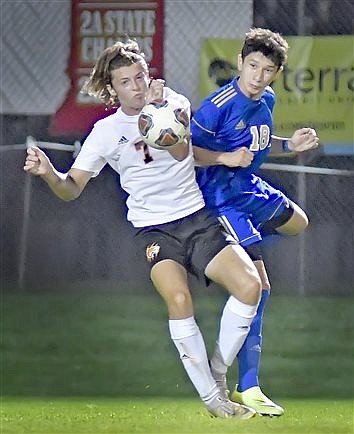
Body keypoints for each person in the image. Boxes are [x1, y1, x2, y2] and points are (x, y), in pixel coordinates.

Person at [23, 38, 261, 419]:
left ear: (149, 75)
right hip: (155, 231)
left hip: (196, 218)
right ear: (112, 89)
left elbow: (183, 153)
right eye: (125, 82)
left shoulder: (175, 104)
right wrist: (49, 172)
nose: (135, 87)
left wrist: (160, 112)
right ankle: (215, 402)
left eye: (140, 77)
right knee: (179, 301)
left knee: (250, 287)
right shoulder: (104, 132)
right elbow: (71, 189)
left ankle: (217, 371)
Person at [191, 28, 319, 416]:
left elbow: (261, 142)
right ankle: (248, 385)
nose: (257, 76)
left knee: (299, 222)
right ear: (241, 62)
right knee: (260, 287)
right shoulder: (218, 104)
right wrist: (225, 159)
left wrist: (289, 146)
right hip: (222, 199)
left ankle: (234, 251)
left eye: (266, 70)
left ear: (277, 73)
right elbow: (189, 152)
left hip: (250, 188)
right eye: (252, 66)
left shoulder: (268, 99)